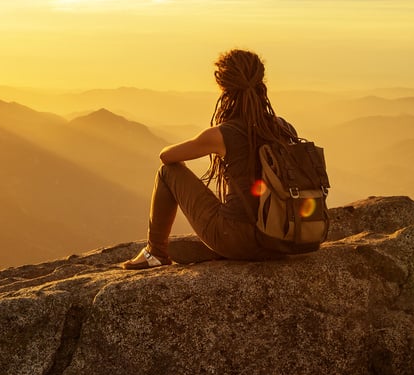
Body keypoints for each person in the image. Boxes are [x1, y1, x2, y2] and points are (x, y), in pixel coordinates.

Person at [121, 49, 297, 269]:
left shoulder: (222, 134)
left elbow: (166, 156)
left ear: (224, 87)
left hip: (238, 239)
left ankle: (154, 252)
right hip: (281, 239)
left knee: (168, 173)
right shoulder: (285, 128)